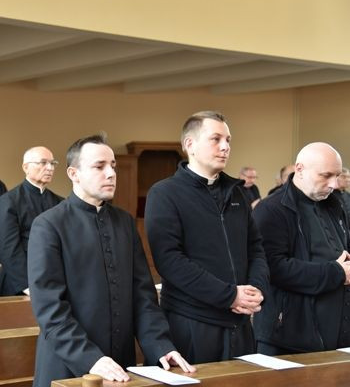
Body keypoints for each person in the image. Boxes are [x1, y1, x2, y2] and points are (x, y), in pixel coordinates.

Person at [28, 135, 194, 387]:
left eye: (113, 166)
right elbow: (51, 310)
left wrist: (161, 346)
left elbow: (143, 297)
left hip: (120, 365)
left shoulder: (124, 222)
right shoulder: (48, 225)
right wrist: (91, 359)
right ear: (74, 174)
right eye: (99, 166)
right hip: (66, 367)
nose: (111, 173)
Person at [144, 111, 269, 364]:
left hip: (240, 322)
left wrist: (257, 288)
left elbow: (255, 249)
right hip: (192, 322)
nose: (225, 146)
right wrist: (229, 295)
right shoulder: (165, 193)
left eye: (228, 140)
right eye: (216, 139)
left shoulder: (237, 194)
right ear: (190, 144)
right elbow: (169, 261)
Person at [253, 142, 350, 354]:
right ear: (300, 169)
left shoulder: (335, 204)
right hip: (287, 336)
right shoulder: (271, 209)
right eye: (326, 175)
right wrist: (336, 272)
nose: (333, 184)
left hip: (336, 331)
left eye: (337, 176)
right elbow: (272, 268)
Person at [0, 146, 63, 297]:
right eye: (43, 163)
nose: (50, 168)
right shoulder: (9, 200)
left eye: (52, 163)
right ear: (26, 167)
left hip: (52, 278)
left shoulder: (60, 202)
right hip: (19, 281)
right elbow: (8, 247)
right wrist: (27, 286)